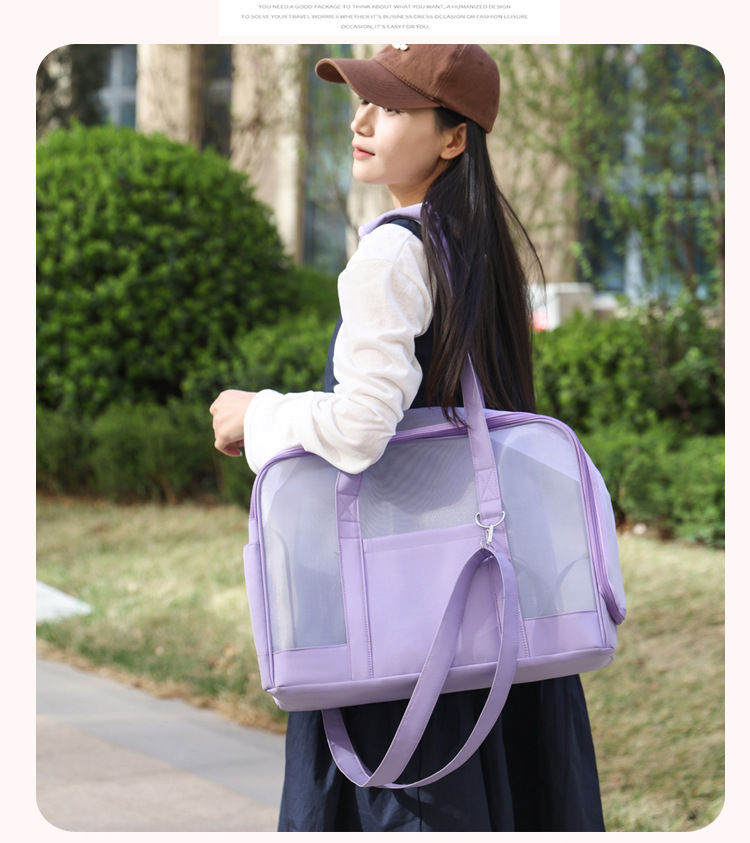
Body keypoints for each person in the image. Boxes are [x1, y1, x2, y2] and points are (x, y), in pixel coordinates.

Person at [210, 43, 605, 833]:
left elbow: (363, 428)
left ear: (454, 137)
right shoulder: (476, 246)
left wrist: (258, 414)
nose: (360, 121)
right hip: (488, 610)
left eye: (391, 108)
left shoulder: (393, 252)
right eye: (362, 102)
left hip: (405, 624)